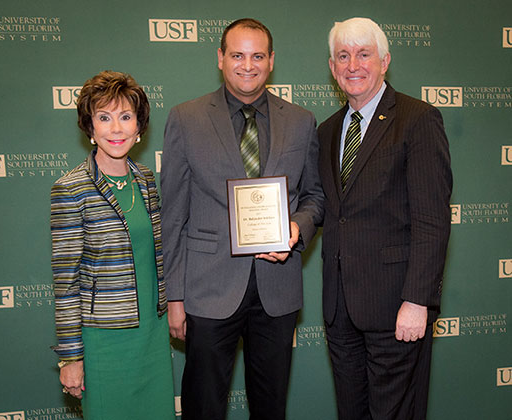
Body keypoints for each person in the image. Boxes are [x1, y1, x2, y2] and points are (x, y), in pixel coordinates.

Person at [161, 18, 324, 420]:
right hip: (207, 288)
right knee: (204, 407)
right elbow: (173, 213)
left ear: (271, 62)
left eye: (256, 56)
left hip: (277, 290)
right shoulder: (186, 117)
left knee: (270, 408)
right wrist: (175, 297)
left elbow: (315, 196)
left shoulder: (301, 121)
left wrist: (297, 227)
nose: (246, 65)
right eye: (237, 55)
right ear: (220, 58)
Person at [318, 17, 452, 420]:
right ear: (331, 66)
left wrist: (417, 300)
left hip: (397, 307)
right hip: (340, 310)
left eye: (364, 54)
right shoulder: (326, 131)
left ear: (385, 61)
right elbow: (328, 211)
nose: (353, 65)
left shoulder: (417, 118)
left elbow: (432, 219)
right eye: (343, 55)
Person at [51, 70, 175, 419]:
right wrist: (71, 357)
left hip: (151, 335)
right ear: (90, 128)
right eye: (104, 118)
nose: (116, 129)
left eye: (125, 117)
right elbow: (66, 282)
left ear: (139, 127)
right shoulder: (71, 189)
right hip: (104, 344)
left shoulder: (146, 180)